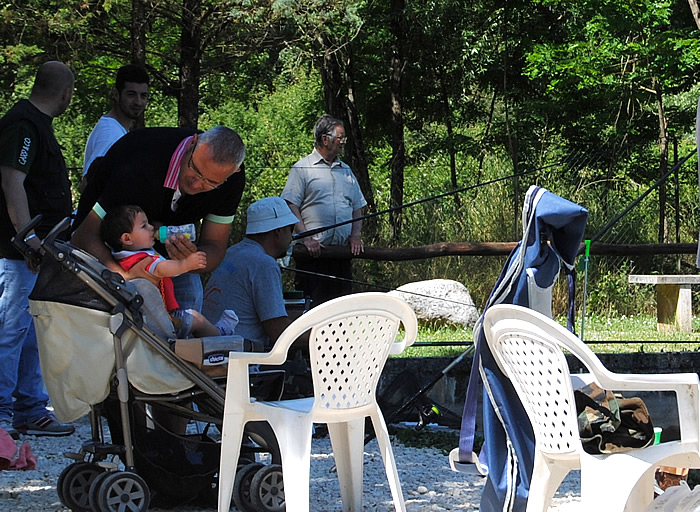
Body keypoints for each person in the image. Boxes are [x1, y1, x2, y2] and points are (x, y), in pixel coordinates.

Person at [71, 125, 246, 312]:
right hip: (106, 253)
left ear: (232, 173)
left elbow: (215, 246)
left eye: (211, 183)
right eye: (194, 169)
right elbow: (85, 235)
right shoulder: (143, 157)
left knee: (188, 309)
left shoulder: (233, 181)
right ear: (193, 143)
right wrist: (125, 277)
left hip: (166, 262)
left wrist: (192, 258)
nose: (196, 184)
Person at [0, 61, 76, 439]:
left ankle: (29, 409)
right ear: (65, 94)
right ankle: (1, 416)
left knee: (31, 332)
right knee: (9, 332)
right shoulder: (24, 126)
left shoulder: (32, 124)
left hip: (37, 253)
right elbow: (13, 181)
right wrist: (27, 236)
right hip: (18, 254)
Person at [101, 204, 237, 338]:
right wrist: (186, 264)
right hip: (164, 321)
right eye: (144, 226)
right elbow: (161, 269)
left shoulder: (122, 257)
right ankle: (220, 334)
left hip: (152, 318)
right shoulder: (140, 260)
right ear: (127, 238)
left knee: (193, 318)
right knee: (196, 319)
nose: (151, 228)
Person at [281, 114, 367, 306]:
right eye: (340, 138)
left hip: (341, 255)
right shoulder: (302, 168)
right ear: (325, 139)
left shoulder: (346, 170)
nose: (344, 142)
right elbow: (290, 205)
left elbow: (357, 206)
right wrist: (306, 237)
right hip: (312, 256)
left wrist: (355, 235)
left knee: (341, 310)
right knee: (313, 310)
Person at [202, 197, 298, 349]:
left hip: (209, 349)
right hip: (238, 356)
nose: (292, 237)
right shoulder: (264, 264)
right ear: (278, 231)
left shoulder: (232, 252)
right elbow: (279, 333)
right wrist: (322, 338)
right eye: (290, 229)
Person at [81, 64, 149, 188]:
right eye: (131, 94)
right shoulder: (110, 133)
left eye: (143, 95)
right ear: (116, 94)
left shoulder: (118, 130)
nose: (138, 102)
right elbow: (88, 184)